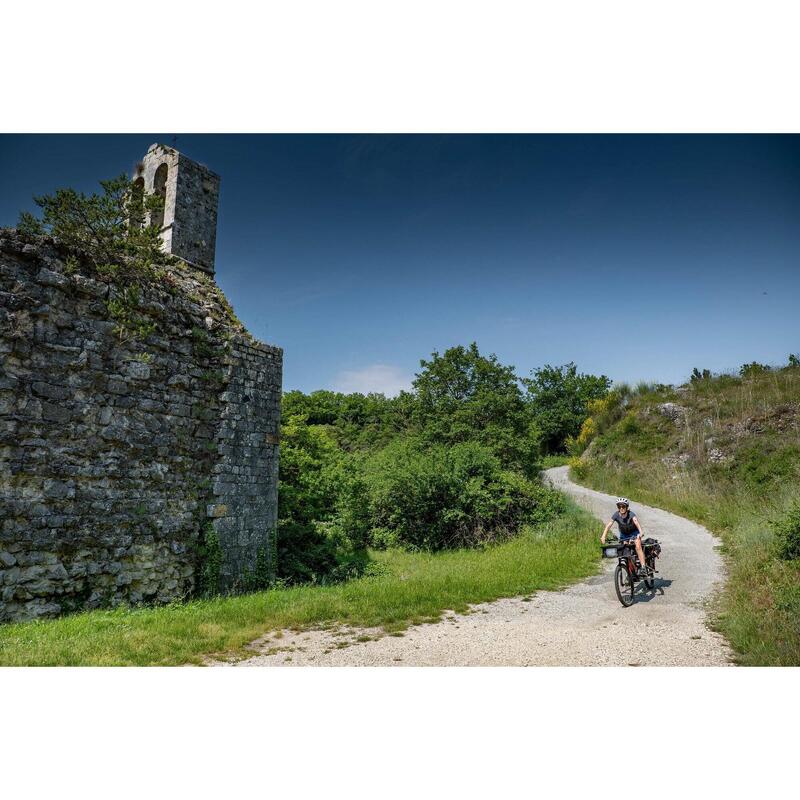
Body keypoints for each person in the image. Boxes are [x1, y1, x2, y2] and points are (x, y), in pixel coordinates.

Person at [601, 497, 651, 577]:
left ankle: (643, 567)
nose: (621, 508)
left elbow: (636, 522)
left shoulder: (631, 514)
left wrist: (641, 532)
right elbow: (609, 525)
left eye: (623, 506)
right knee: (625, 551)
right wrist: (603, 536)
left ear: (626, 507)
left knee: (638, 546)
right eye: (619, 507)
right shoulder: (616, 515)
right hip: (624, 535)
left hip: (634, 533)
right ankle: (630, 572)